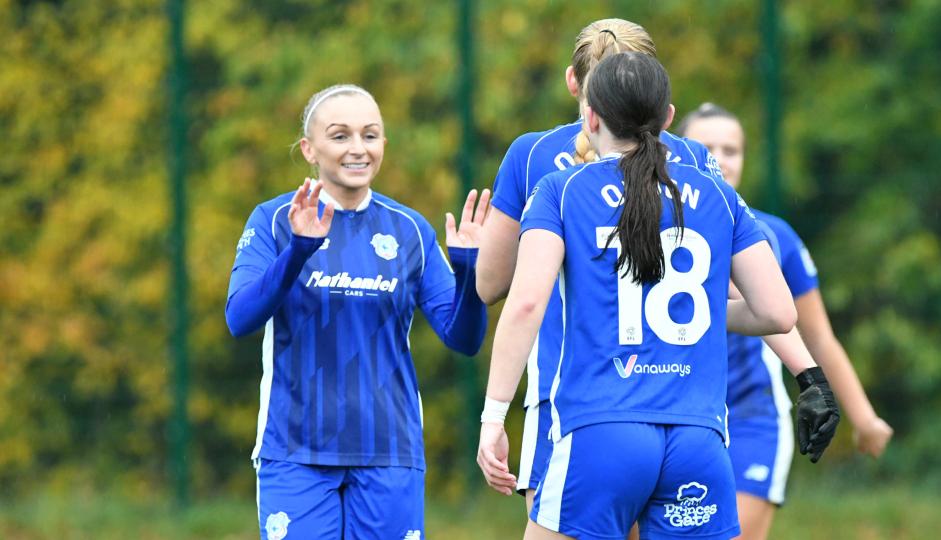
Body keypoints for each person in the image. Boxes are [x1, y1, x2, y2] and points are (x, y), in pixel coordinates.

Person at [477, 52, 840, 540]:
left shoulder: (560, 190)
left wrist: (494, 417)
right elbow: (777, 311)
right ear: (669, 119)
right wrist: (810, 378)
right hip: (697, 436)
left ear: (590, 117)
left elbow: (523, 305)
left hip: (599, 431)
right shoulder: (718, 193)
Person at [476, 19, 721, 525]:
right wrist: (808, 372)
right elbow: (739, 295)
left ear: (575, 84)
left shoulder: (535, 159)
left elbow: (492, 285)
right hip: (681, 400)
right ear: (659, 97)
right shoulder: (694, 161)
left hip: (572, 402)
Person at [225, 84, 489, 540]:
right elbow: (239, 318)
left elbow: (463, 339)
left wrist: (468, 273)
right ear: (309, 148)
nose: (357, 148)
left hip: (390, 450)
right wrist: (298, 252)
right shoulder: (274, 220)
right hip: (295, 451)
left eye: (370, 135)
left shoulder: (409, 230)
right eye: (340, 135)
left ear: (384, 143)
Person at [677, 102, 893, 540]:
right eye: (706, 146)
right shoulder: (652, 225)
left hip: (751, 417)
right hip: (674, 414)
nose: (720, 158)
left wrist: (864, 418)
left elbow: (817, 337)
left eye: (732, 149)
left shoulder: (772, 236)